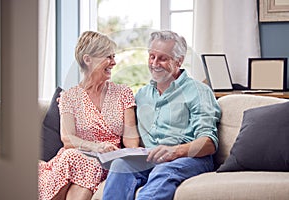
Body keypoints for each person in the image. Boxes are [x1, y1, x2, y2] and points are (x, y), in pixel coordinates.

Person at [102, 30, 221, 200]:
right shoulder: (142, 94)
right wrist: (75, 101)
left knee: (163, 170)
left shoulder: (199, 92)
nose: (154, 63)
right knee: (120, 165)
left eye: (162, 58)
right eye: (152, 57)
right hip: (148, 158)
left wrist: (175, 151)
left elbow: (208, 144)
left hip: (188, 158)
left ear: (178, 61)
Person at [38, 31, 140, 200]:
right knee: (74, 157)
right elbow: (68, 140)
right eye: (108, 57)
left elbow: (131, 141)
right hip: (76, 159)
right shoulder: (69, 97)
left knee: (87, 164)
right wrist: (97, 147)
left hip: (107, 162)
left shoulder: (123, 93)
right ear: (88, 60)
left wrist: (129, 159)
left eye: (114, 57)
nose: (114, 62)